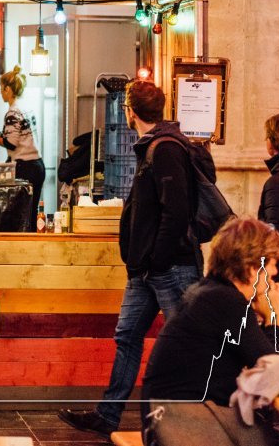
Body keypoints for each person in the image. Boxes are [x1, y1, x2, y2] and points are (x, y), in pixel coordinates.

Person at [58, 80, 205, 438]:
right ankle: (108, 415)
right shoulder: (152, 146)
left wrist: (157, 259)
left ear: (130, 111)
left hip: (169, 267)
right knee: (127, 336)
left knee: (185, 343)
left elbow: (176, 211)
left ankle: (195, 420)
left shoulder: (165, 148)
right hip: (146, 269)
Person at [139, 218, 279, 444]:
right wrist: (275, 319)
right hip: (184, 426)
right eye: (272, 264)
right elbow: (274, 372)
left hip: (171, 419)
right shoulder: (225, 301)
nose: (275, 272)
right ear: (252, 268)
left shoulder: (210, 292)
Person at [0, 65, 45, 231]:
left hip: (25, 167)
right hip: (37, 165)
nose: (0, 92)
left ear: (8, 89)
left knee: (20, 215)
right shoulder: (26, 107)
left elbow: (11, 143)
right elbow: (21, 136)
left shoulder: (12, 113)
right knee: (31, 212)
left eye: (1, 88)